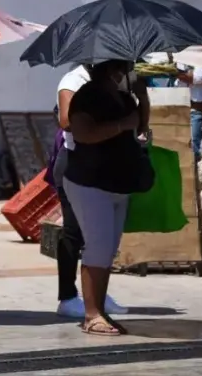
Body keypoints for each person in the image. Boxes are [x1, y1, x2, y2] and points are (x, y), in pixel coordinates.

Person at [63, 59, 150, 336]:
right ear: (112, 71)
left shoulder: (125, 97)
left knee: (108, 249)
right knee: (97, 246)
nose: (127, 74)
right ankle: (92, 314)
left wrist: (142, 96)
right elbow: (82, 132)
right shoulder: (86, 97)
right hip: (90, 182)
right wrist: (121, 124)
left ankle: (100, 310)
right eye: (125, 69)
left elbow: (139, 127)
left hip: (118, 183)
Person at [55, 65, 128, 318]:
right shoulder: (74, 80)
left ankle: (97, 294)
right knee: (74, 233)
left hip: (106, 165)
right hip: (77, 162)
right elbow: (66, 121)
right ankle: (68, 296)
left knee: (102, 238)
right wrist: (113, 124)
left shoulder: (118, 84)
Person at [175, 62, 202, 160]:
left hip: (198, 111)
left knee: (194, 146)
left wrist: (174, 71)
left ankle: (194, 170)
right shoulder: (181, 64)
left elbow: (196, 78)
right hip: (183, 109)